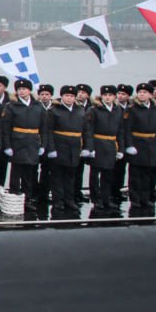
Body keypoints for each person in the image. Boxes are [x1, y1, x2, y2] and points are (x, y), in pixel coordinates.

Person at [0, 77, 45, 215]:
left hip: (32, 142)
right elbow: (6, 128)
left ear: (29, 90)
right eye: (19, 89)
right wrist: (7, 145)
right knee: (16, 171)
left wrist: (43, 145)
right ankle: (14, 196)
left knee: (29, 173)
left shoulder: (38, 107)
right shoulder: (11, 106)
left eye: (24, 89)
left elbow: (44, 128)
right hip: (17, 142)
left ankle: (28, 199)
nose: (22, 91)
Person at [47, 84, 89, 218]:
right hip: (60, 147)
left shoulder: (80, 111)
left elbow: (86, 131)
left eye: (71, 96)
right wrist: (51, 149)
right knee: (57, 177)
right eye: (66, 96)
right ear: (62, 96)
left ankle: (69, 200)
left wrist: (87, 147)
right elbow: (48, 132)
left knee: (71, 176)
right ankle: (58, 201)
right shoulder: (54, 111)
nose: (69, 98)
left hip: (74, 148)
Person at [123, 82, 156, 217]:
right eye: (140, 92)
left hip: (151, 144)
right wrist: (129, 145)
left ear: (150, 95)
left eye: (145, 92)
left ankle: (145, 199)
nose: (142, 94)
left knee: (147, 174)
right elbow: (126, 129)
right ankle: (135, 200)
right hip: (137, 143)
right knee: (135, 175)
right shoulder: (132, 109)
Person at [85, 84, 124, 216]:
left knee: (108, 174)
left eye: (110, 95)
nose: (107, 97)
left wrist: (121, 149)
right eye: (105, 95)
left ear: (114, 96)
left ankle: (106, 198)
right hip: (98, 143)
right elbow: (89, 130)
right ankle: (96, 199)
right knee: (95, 174)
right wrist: (90, 148)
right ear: (101, 96)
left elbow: (120, 130)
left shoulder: (117, 110)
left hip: (111, 144)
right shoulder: (94, 110)